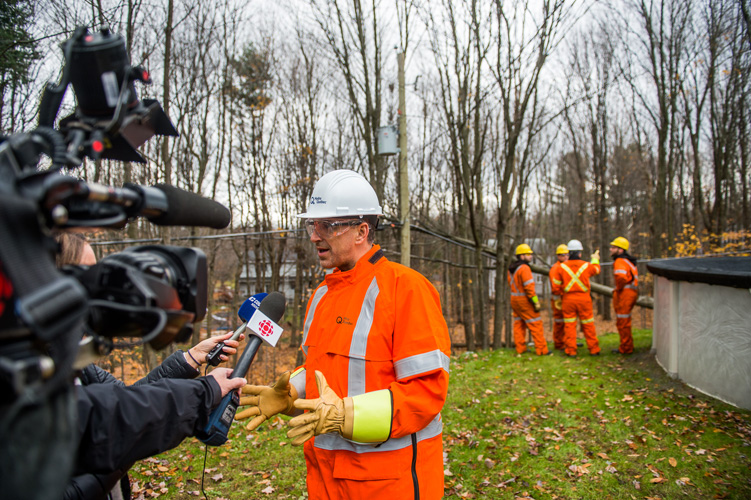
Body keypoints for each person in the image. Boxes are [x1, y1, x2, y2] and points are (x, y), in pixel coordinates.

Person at [236, 169, 451, 500]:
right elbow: (322, 372)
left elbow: (425, 394)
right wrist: (289, 394)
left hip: (388, 485)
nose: (315, 236)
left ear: (362, 231)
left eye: (328, 226)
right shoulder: (322, 294)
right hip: (325, 479)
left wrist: (345, 416)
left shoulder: (406, 289)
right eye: (313, 225)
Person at [54, 232, 246, 500]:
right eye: (84, 277)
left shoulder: (78, 367)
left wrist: (190, 359)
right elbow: (118, 424)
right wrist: (206, 392)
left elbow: (128, 401)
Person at [549, 239, 601, 357]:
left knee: (569, 325)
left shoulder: (561, 268)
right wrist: (595, 259)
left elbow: (555, 287)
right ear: (580, 253)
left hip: (568, 300)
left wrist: (558, 299)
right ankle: (594, 349)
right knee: (588, 324)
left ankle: (571, 350)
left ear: (569, 252)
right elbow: (596, 270)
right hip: (584, 299)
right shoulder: (586, 265)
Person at [508, 244, 549, 355]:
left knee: (519, 324)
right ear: (521, 256)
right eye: (528, 254)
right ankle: (541, 350)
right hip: (524, 300)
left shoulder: (512, 269)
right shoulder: (525, 268)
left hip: (514, 300)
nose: (530, 256)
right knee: (535, 324)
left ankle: (520, 349)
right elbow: (529, 288)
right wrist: (535, 302)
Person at [609, 236, 638, 355]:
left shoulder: (620, 262)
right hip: (629, 293)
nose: (611, 249)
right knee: (624, 321)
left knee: (623, 322)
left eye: (613, 247)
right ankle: (626, 346)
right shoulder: (627, 261)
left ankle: (626, 348)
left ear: (620, 250)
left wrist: (619, 288)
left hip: (625, 294)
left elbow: (621, 277)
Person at [548, 244, 569, 351]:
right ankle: (559, 343)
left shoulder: (565, 267)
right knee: (559, 322)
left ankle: (566, 341)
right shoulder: (556, 268)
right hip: (558, 299)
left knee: (566, 322)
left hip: (565, 298)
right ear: (558, 256)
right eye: (563, 255)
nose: (565, 257)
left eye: (567, 255)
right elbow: (555, 287)